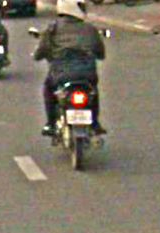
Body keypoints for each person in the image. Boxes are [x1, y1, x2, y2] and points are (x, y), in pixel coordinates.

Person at [33, 0, 106, 137]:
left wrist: (41, 56)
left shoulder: (53, 29)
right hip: (87, 74)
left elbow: (41, 50)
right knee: (93, 91)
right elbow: (101, 53)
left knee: (49, 88)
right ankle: (95, 123)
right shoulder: (90, 29)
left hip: (61, 74)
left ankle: (51, 123)